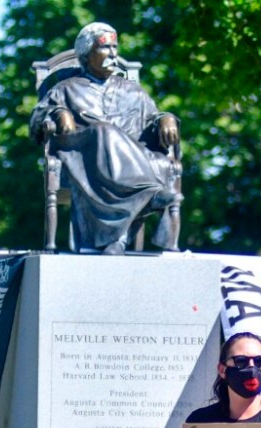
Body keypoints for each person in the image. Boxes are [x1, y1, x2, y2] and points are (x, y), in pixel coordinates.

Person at [30, 22, 182, 254]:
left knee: (112, 134)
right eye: (104, 47)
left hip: (132, 155)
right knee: (104, 130)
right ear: (86, 55)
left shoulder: (133, 91)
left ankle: (116, 241)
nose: (113, 53)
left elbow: (152, 117)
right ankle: (149, 192)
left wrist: (167, 118)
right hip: (82, 153)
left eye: (115, 47)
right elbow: (36, 121)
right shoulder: (66, 88)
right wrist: (58, 112)